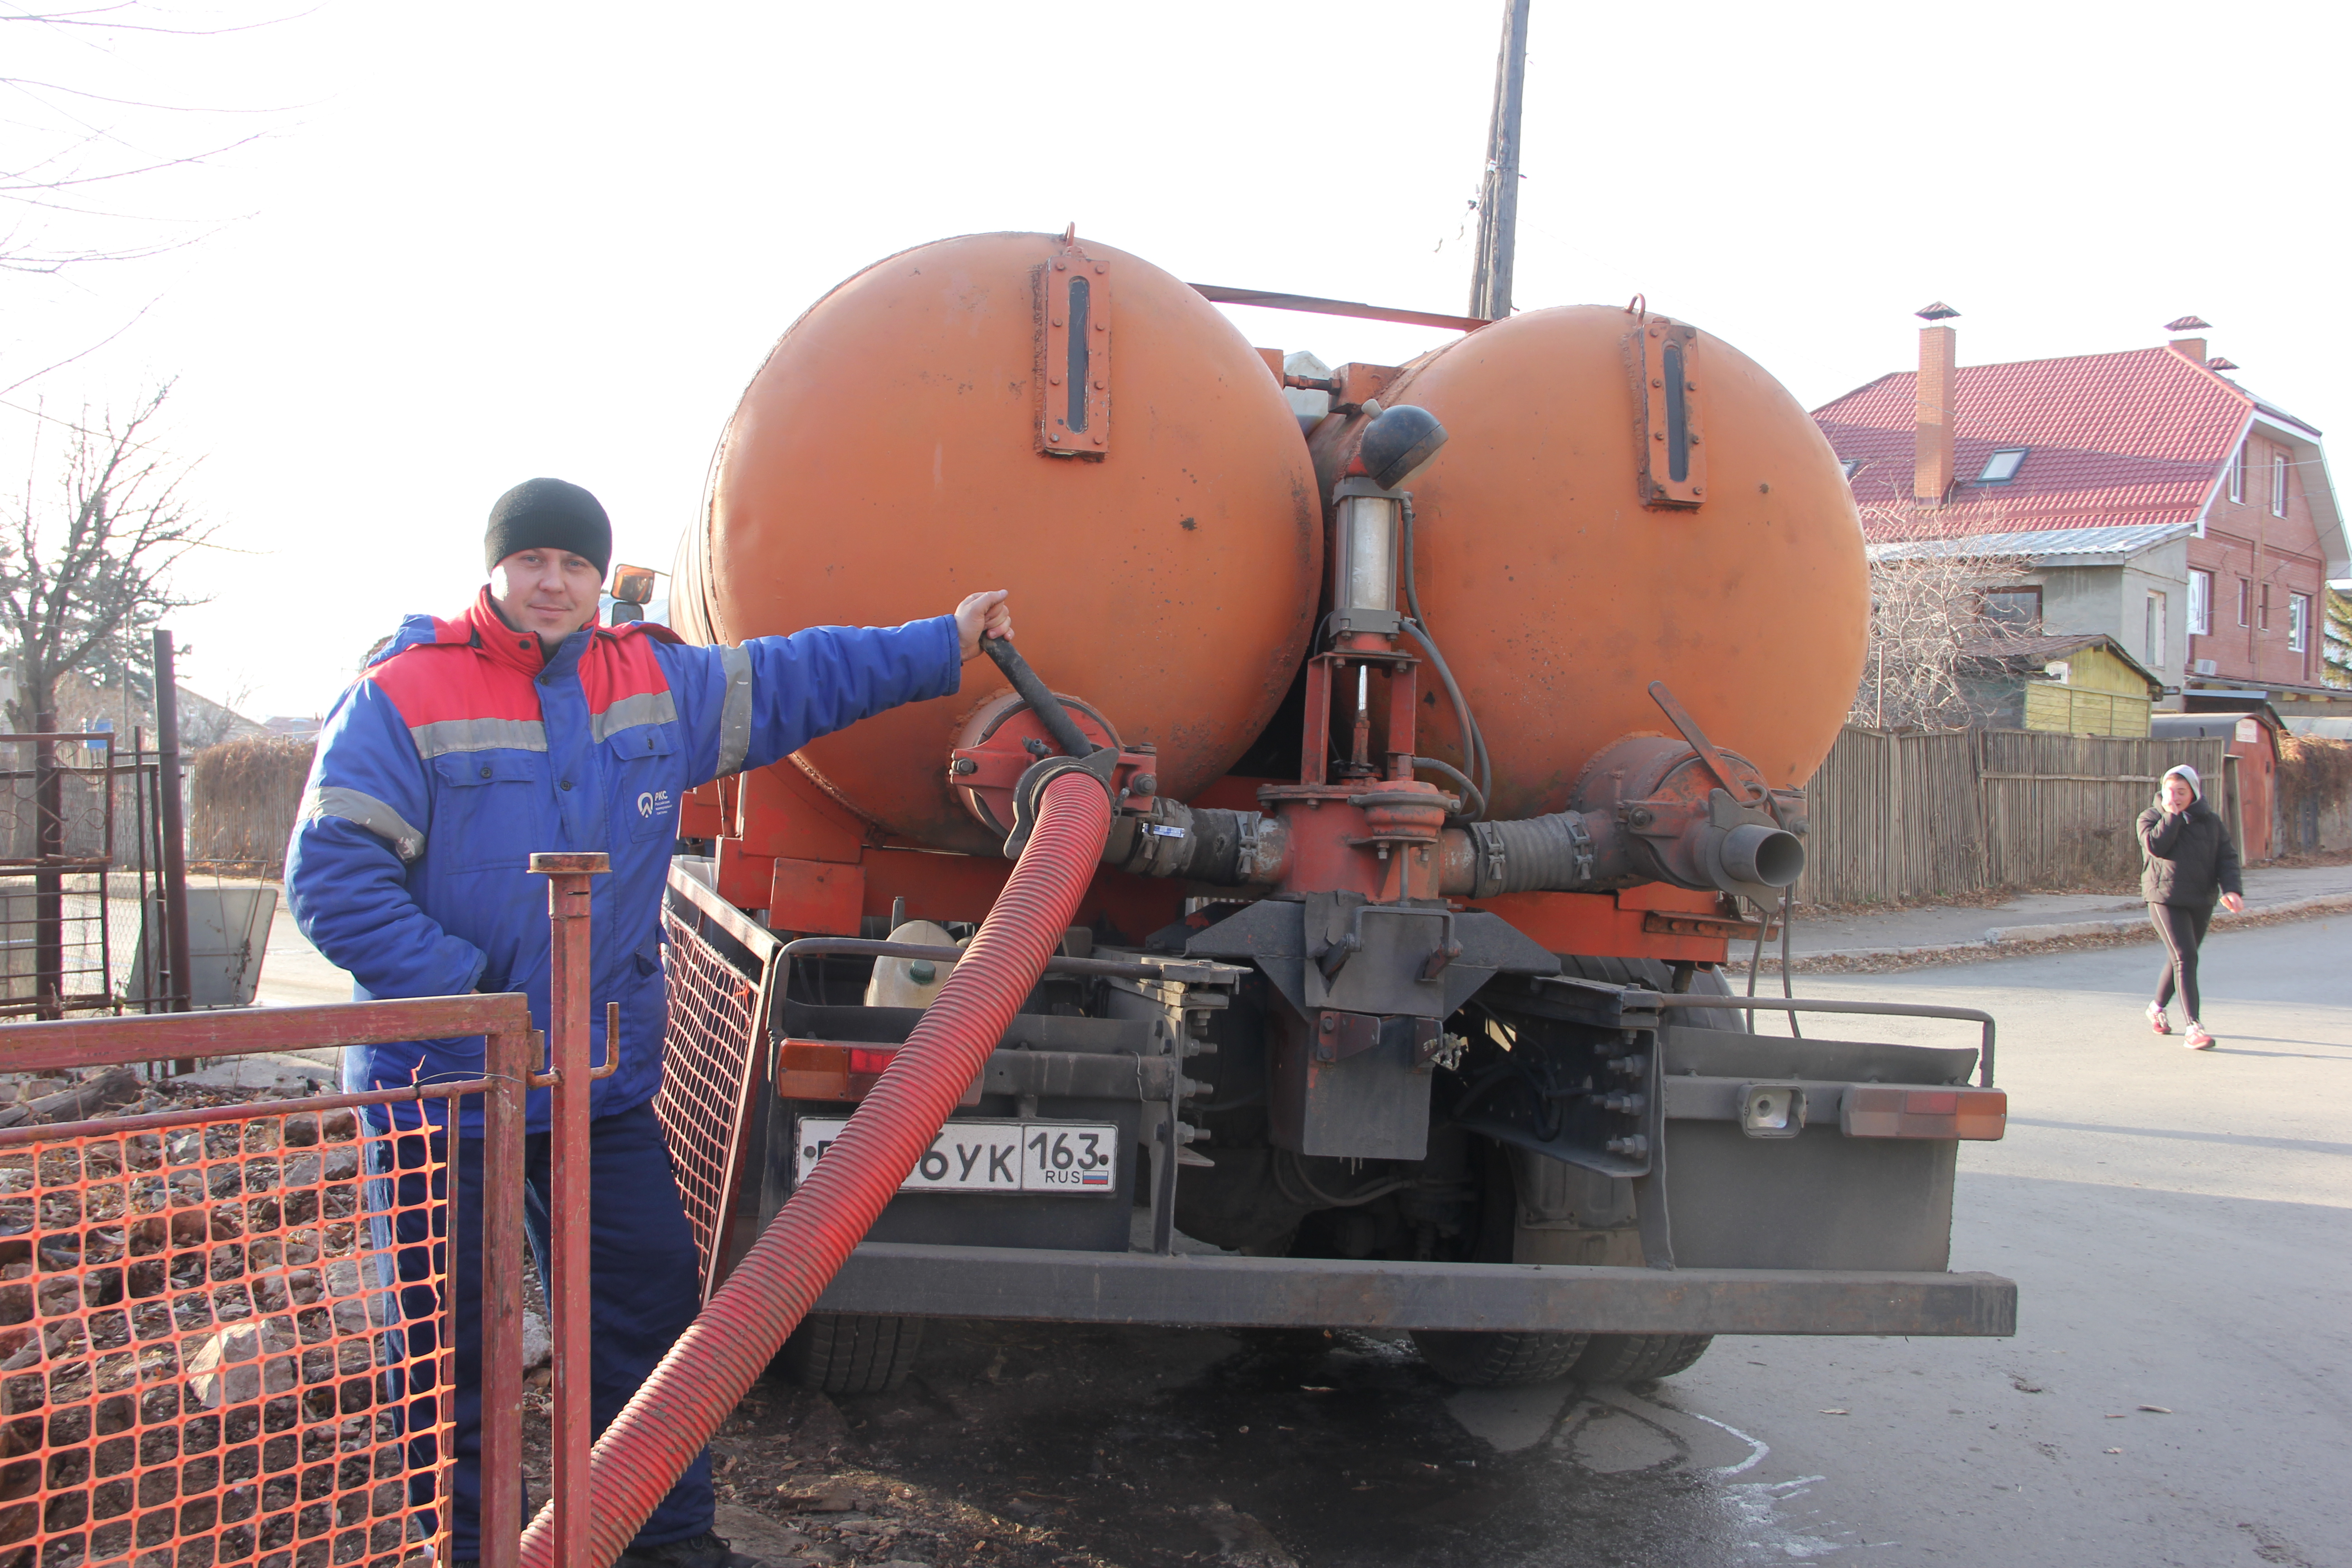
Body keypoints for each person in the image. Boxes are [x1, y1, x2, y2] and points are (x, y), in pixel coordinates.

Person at [286, 477, 1014, 1568]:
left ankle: (658, 1536)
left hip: (596, 1081)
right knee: (448, 1340)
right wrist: (477, 995)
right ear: (493, 569)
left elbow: (805, 674)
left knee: (645, 1308)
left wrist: (942, 645)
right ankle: (469, 1542)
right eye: (531, 559)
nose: (552, 580)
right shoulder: (405, 693)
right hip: (443, 1084)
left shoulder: (654, 683)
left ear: (597, 579)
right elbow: (334, 877)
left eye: (574, 564)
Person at [2136, 763, 2244, 1051]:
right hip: (2164, 897)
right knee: (2186, 957)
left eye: (2182, 791)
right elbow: (2156, 847)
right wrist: (2171, 815)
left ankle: (2157, 1007)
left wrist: (2232, 890)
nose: (2176, 796)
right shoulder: (2151, 817)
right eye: (2171, 791)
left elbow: (2227, 858)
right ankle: (2194, 1027)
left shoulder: (2210, 822)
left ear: (2194, 792)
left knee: (2185, 958)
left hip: (2200, 898)